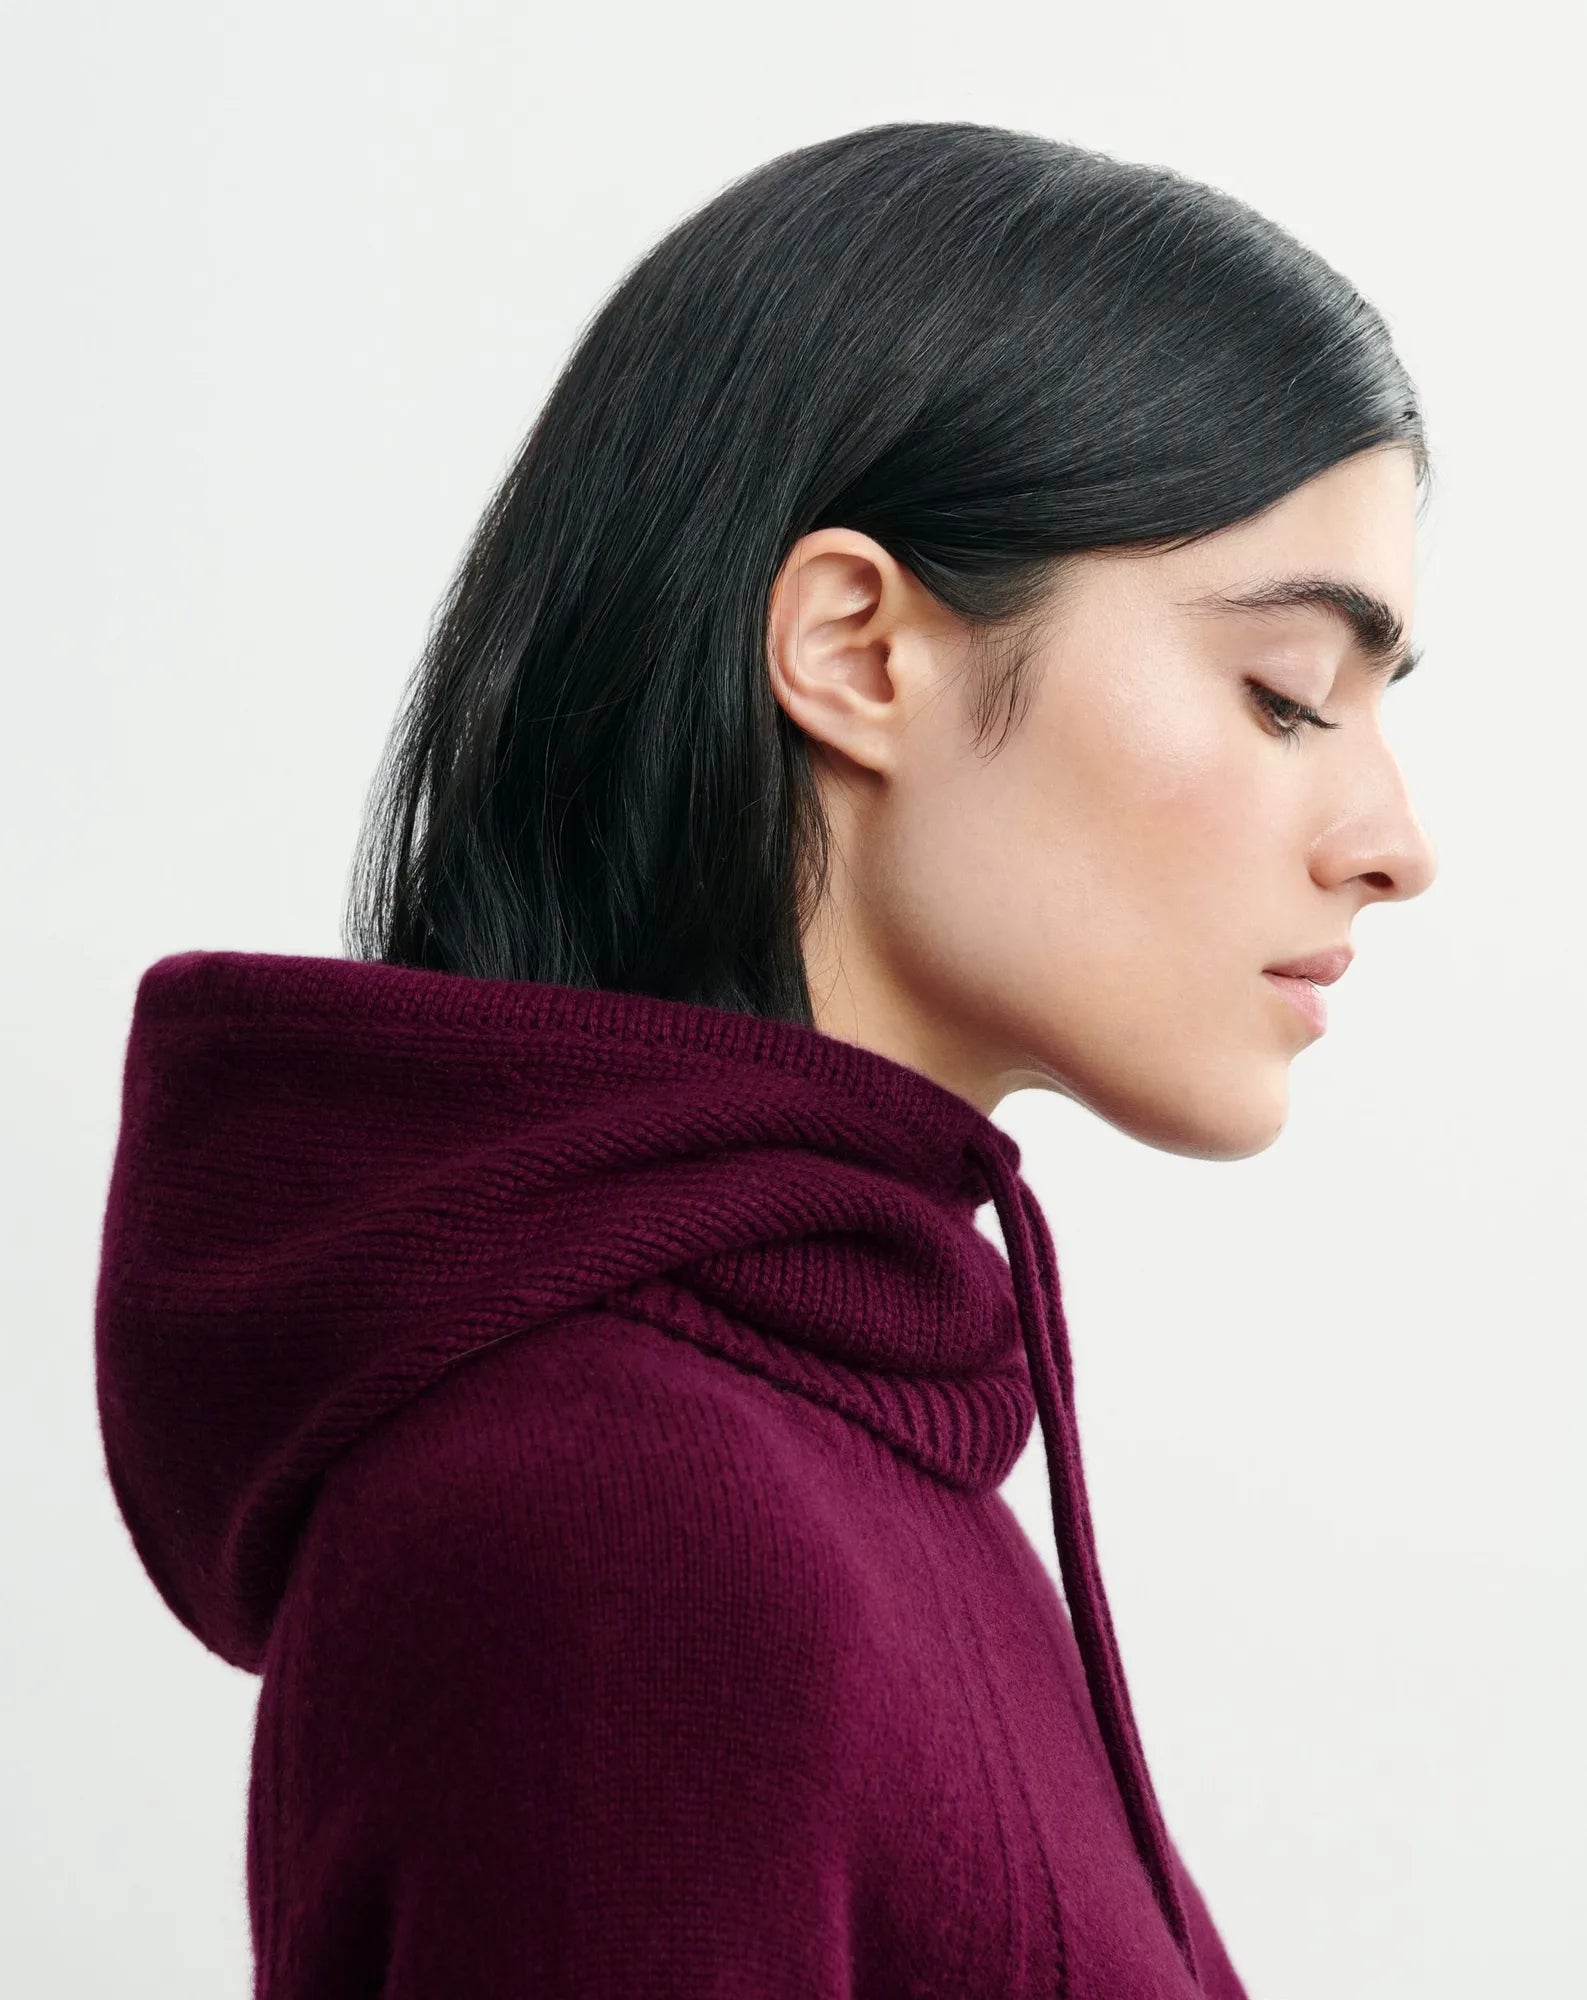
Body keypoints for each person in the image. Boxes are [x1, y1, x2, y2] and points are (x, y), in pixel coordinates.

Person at [94, 119, 1437, 1998]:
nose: (1396, 842)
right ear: (858, 650)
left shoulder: (839, 1455)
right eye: (1286, 694)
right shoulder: (622, 1528)